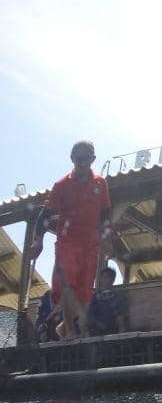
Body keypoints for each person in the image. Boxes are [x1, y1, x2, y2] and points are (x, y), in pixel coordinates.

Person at [29, 140, 115, 340]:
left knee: (85, 291)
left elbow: (106, 214)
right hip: (67, 243)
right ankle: (69, 329)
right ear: (72, 159)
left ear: (93, 159)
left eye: (86, 159)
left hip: (90, 245)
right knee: (67, 285)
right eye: (78, 159)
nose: (82, 163)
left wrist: (108, 239)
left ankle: (65, 327)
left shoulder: (100, 183)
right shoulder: (62, 184)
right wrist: (38, 241)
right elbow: (46, 214)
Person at [86, 266, 126, 335]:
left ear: (113, 280)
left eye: (108, 277)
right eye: (103, 277)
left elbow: (119, 314)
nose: (105, 280)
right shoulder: (95, 296)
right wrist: (97, 322)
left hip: (111, 328)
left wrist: (121, 329)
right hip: (95, 328)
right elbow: (90, 312)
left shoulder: (116, 296)